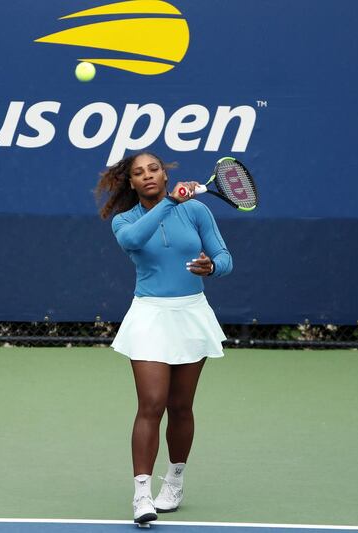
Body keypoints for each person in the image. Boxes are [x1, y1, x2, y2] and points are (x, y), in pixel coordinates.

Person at [95, 152, 232, 525]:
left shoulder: (198, 212)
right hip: (150, 316)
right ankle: (142, 494)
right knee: (151, 404)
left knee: (181, 406)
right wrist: (171, 203)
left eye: (153, 169)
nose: (147, 176)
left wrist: (213, 266)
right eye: (138, 174)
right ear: (132, 184)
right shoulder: (124, 221)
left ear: (164, 174)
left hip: (192, 314)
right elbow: (136, 241)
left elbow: (224, 257)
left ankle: (174, 481)